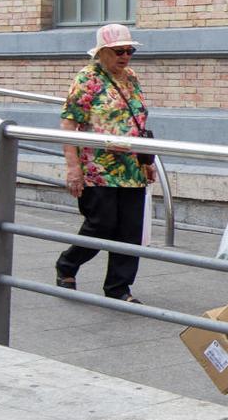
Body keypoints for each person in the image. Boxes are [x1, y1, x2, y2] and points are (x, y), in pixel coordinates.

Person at [55, 23, 155, 304]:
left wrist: (147, 161)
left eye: (129, 51)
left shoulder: (131, 78)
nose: (125, 56)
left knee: (130, 230)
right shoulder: (87, 79)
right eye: (118, 51)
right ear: (102, 52)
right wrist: (72, 167)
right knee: (101, 224)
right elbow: (68, 125)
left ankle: (119, 288)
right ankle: (67, 264)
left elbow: (138, 123)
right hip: (98, 169)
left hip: (131, 168)